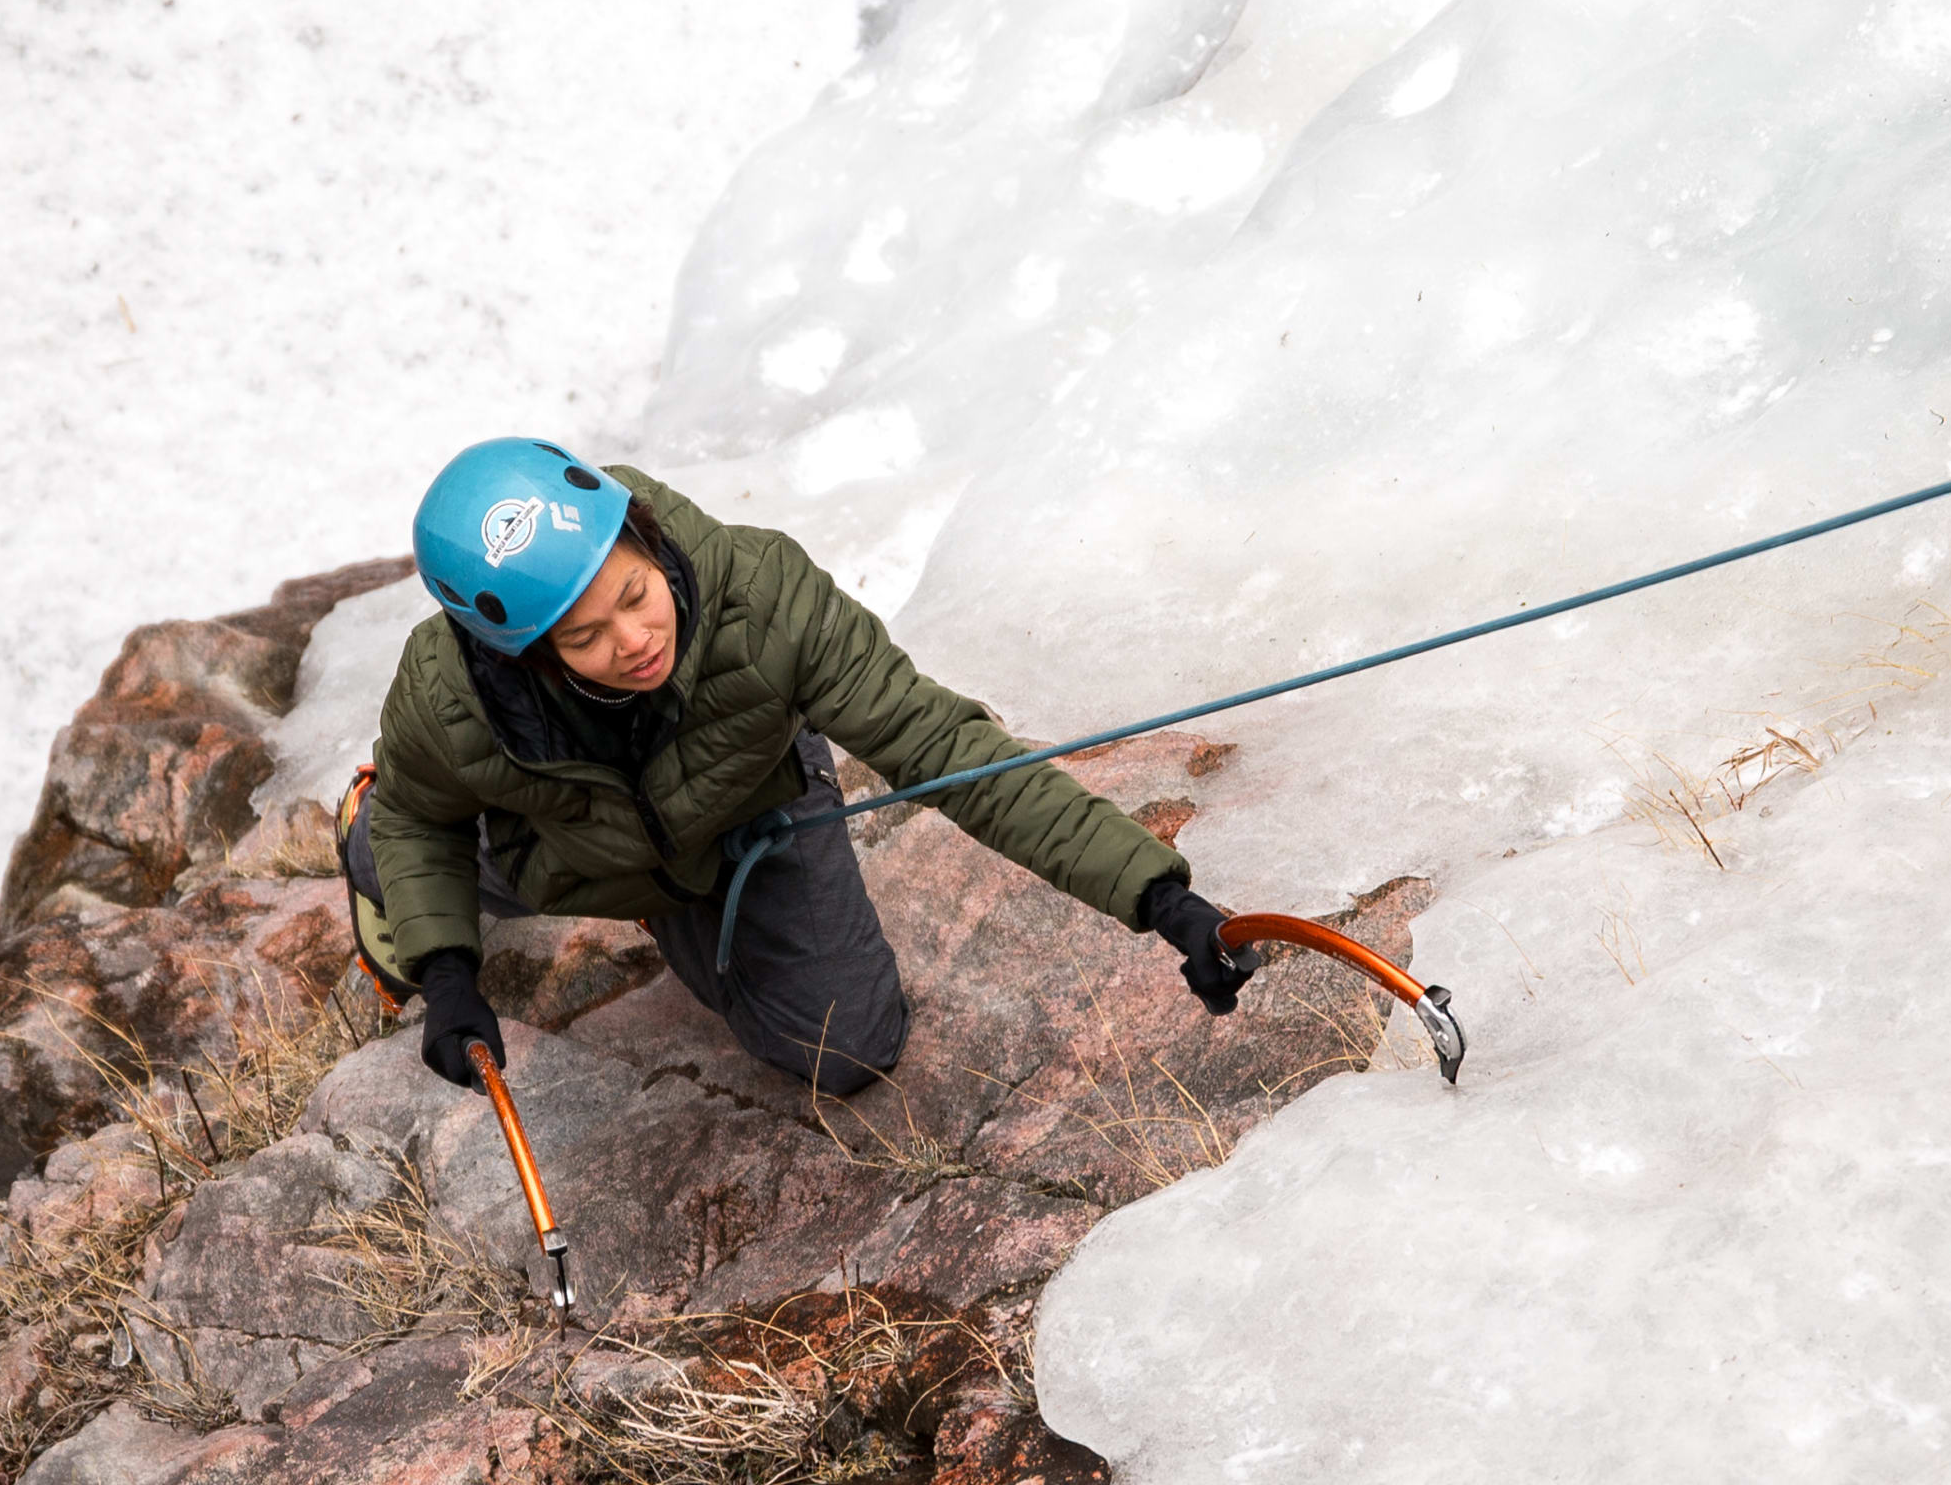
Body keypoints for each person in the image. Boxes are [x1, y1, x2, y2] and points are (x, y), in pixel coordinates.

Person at [339, 438, 1270, 1099]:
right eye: (586, 637)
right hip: (568, 849)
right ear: (523, 653)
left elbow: (946, 747)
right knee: (397, 843)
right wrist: (450, 969)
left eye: (636, 594)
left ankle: (688, 915)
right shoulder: (449, 694)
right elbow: (427, 820)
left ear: (648, 538)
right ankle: (359, 832)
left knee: (849, 1049)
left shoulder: (767, 595)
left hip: (739, 814)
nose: (636, 639)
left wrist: (1158, 898)